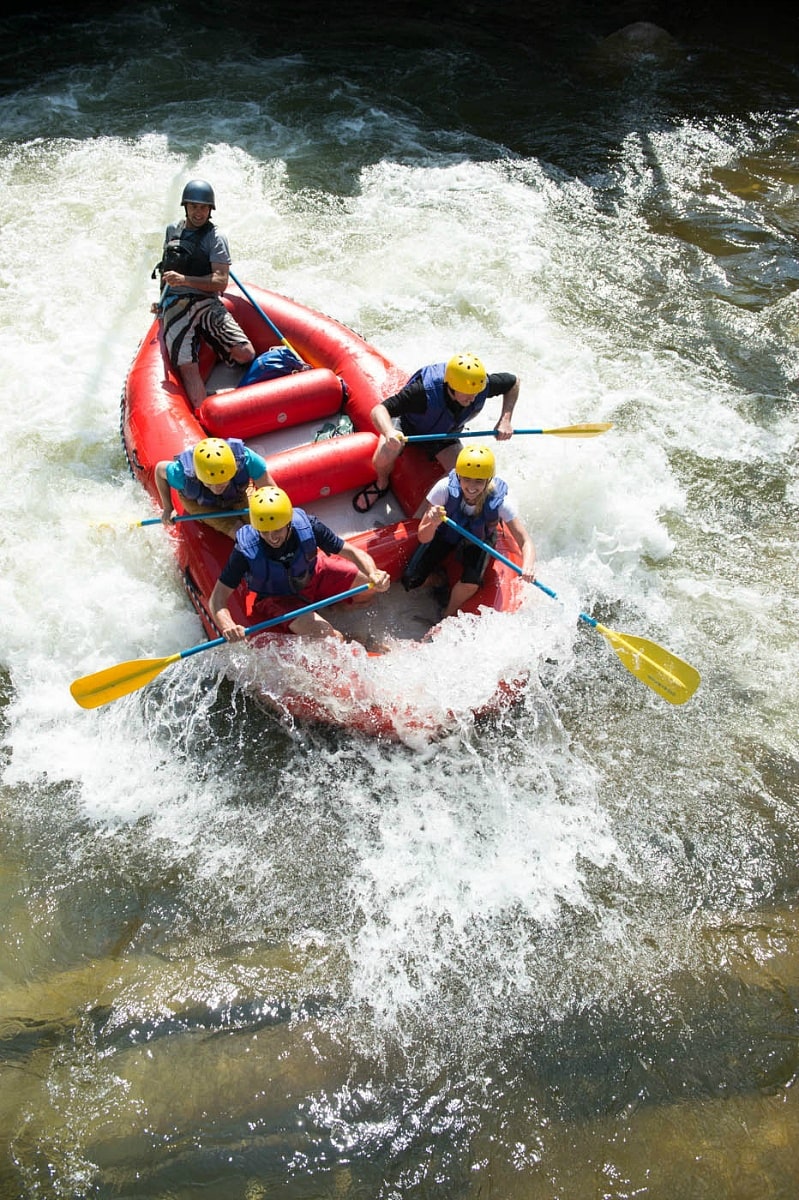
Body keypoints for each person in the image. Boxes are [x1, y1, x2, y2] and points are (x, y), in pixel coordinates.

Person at [209, 486, 391, 641]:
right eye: (264, 532)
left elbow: (352, 552)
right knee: (331, 638)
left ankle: (335, 607)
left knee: (369, 588)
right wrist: (228, 626)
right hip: (278, 597)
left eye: (278, 530)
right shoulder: (245, 549)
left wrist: (374, 572)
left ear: (288, 522)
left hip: (314, 574)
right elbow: (217, 599)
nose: (272, 538)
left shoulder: (308, 525)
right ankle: (348, 637)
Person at [351, 352, 520, 514]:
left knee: (466, 472)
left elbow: (514, 382)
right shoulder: (421, 393)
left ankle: (425, 515)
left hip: (445, 433)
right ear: (451, 388)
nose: (473, 399)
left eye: (476, 394)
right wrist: (389, 433)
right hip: (407, 427)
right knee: (385, 453)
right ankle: (381, 484)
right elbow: (379, 410)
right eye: (468, 395)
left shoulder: (479, 384)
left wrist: (505, 419)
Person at [401, 444, 536, 620]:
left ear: (488, 480)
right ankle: (440, 580)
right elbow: (423, 536)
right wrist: (432, 523)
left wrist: (528, 565)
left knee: (471, 582)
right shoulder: (443, 489)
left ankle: (446, 614)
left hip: (479, 538)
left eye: (479, 481)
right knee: (410, 580)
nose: (472, 487)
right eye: (467, 479)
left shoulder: (502, 501)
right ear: (458, 476)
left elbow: (525, 541)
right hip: (447, 532)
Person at [152, 179, 255, 407]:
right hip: (175, 303)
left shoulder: (216, 238)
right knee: (188, 366)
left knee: (246, 354)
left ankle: (211, 338)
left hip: (205, 300)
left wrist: (185, 280)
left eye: (203, 208)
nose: (198, 212)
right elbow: (166, 268)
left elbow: (220, 281)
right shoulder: (172, 231)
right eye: (194, 207)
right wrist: (160, 301)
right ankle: (203, 415)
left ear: (210, 210)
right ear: (185, 207)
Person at [154, 437, 275, 538]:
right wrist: (168, 509)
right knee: (239, 531)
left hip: (237, 493)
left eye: (221, 483)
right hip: (200, 503)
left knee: (262, 523)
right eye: (210, 483)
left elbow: (273, 493)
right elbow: (159, 469)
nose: (217, 488)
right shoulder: (182, 474)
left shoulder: (248, 460)